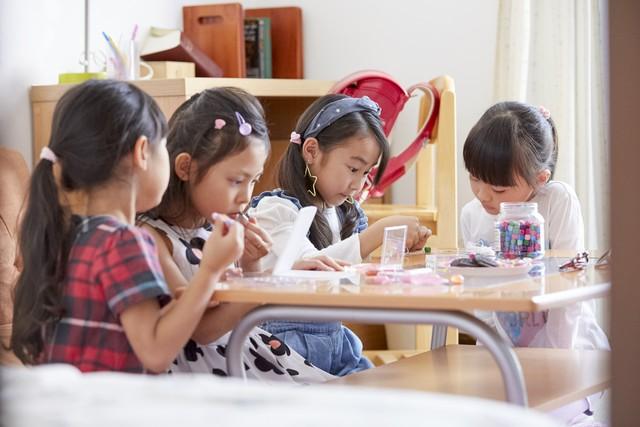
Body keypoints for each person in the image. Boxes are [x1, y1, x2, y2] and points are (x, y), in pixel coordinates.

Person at [11, 79, 243, 373]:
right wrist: (209, 271)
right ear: (142, 151)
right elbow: (155, 352)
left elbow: (128, 325)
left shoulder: (66, 233)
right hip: (110, 405)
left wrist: (196, 292)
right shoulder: (124, 241)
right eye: (164, 148)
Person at [139, 87, 335, 382]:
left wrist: (252, 266)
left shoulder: (215, 228)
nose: (246, 196)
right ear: (185, 168)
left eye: (254, 181)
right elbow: (203, 330)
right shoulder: (152, 238)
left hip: (245, 350)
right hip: (206, 369)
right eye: (236, 181)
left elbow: (236, 308)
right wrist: (268, 284)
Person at [249, 94, 431, 376]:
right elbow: (311, 266)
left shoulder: (346, 214)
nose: (358, 185)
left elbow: (353, 282)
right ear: (311, 151)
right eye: (353, 169)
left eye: (366, 173)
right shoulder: (276, 211)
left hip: (336, 344)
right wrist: (377, 233)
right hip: (285, 349)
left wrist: (399, 250)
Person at [460, 101, 609, 425]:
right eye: (474, 179)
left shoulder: (556, 201)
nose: (484, 195)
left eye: (499, 188)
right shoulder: (473, 214)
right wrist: (494, 357)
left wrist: (553, 362)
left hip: (568, 347)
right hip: (505, 352)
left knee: (548, 412)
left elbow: (570, 292)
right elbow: (480, 300)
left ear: (539, 179)